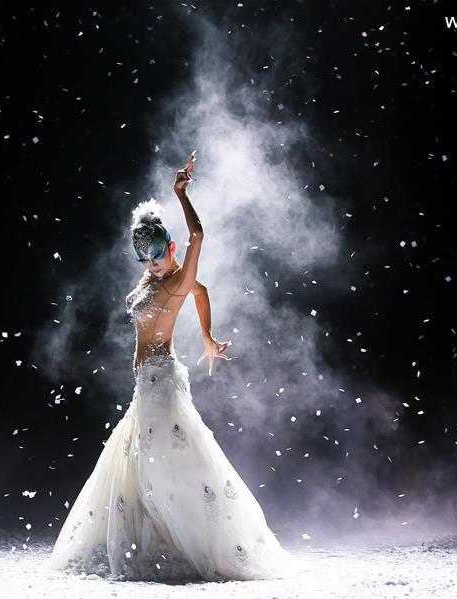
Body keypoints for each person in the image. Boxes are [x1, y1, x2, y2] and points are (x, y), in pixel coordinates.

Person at [46, 152, 297, 582]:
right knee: (141, 465)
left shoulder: (175, 279)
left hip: (161, 382)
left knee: (163, 465)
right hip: (145, 384)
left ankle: (186, 541)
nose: (150, 263)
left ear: (171, 247)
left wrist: (181, 195)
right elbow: (201, 292)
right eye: (142, 257)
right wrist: (206, 335)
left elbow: (199, 238)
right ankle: (157, 538)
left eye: (157, 254)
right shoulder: (159, 280)